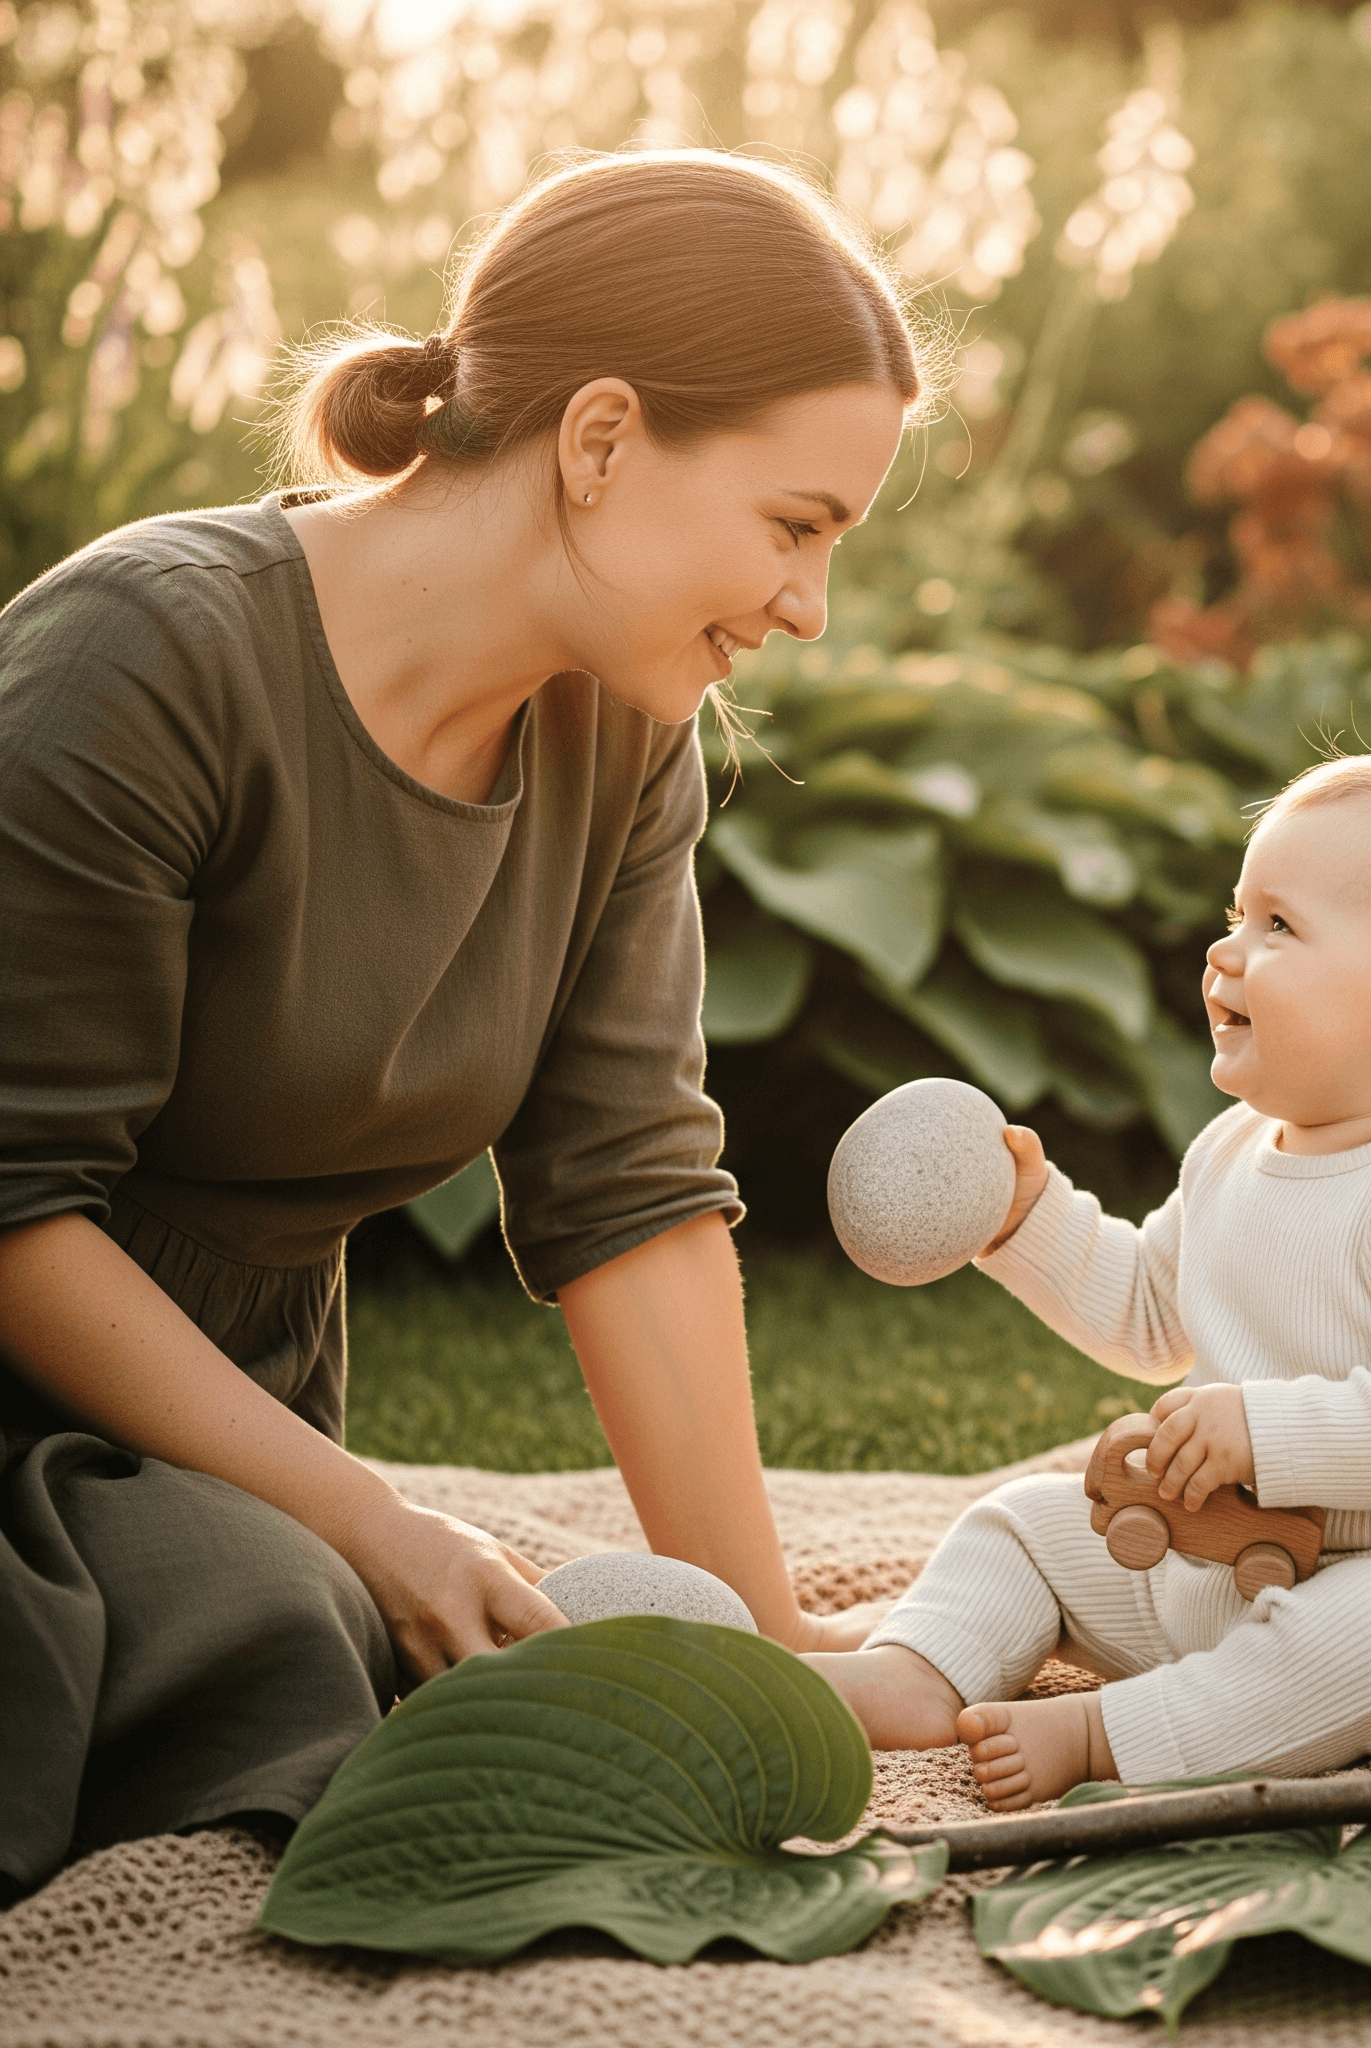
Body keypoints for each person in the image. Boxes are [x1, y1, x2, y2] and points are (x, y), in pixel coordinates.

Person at [0, 149, 932, 1899]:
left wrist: (762, 1630)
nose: (808, 604)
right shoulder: (143, 658)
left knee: (343, 1621)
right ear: (598, 441)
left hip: (228, 1426)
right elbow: (12, 1198)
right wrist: (370, 1519)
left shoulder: (624, 731)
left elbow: (630, 1188)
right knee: (291, 1624)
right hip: (40, 1365)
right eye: (795, 524)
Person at [808, 749, 1371, 1807]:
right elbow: (1153, 1312)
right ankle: (922, 1669)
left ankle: (1113, 1733)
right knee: (1028, 1521)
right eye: (1236, 913)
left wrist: (1263, 1431)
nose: (1224, 949)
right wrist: (1030, 1220)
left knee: (1357, 1637)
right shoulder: (1236, 1150)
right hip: (1236, 1560)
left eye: (1277, 926)